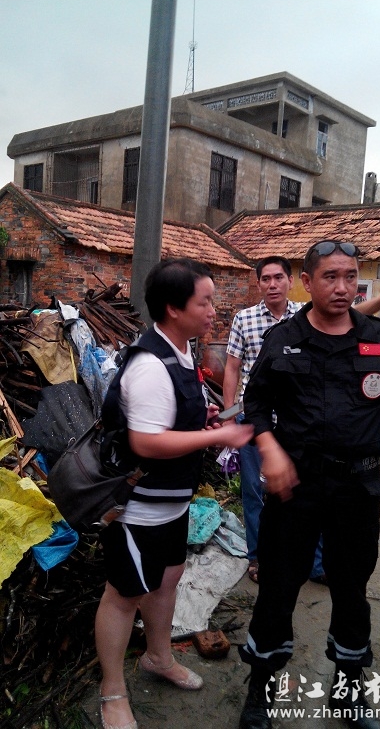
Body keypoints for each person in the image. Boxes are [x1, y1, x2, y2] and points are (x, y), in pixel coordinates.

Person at [238, 241, 380, 729]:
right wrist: (270, 448)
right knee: (278, 587)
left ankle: (348, 691)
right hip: (294, 489)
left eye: (350, 277)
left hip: (356, 488)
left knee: (351, 589)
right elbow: (255, 406)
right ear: (307, 282)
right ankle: (260, 690)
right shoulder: (283, 339)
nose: (342, 287)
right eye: (330, 277)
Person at [95, 258, 253, 729]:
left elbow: (169, 422)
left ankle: (158, 658)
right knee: (124, 594)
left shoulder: (181, 352)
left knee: (167, 580)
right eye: (204, 302)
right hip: (138, 508)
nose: (213, 310)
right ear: (173, 308)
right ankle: (111, 691)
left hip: (173, 502)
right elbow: (146, 441)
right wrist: (217, 436)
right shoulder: (150, 364)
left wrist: (201, 422)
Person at [223, 255, 380, 584]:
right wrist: (230, 416)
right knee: (256, 492)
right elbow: (232, 368)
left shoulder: (304, 312)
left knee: (321, 522)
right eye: (266, 279)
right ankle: (258, 556)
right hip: (260, 424)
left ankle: (315, 565)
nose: (272, 284)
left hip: (313, 438)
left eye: (278, 277)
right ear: (259, 284)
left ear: (293, 282)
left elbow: (351, 312)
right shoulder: (246, 319)